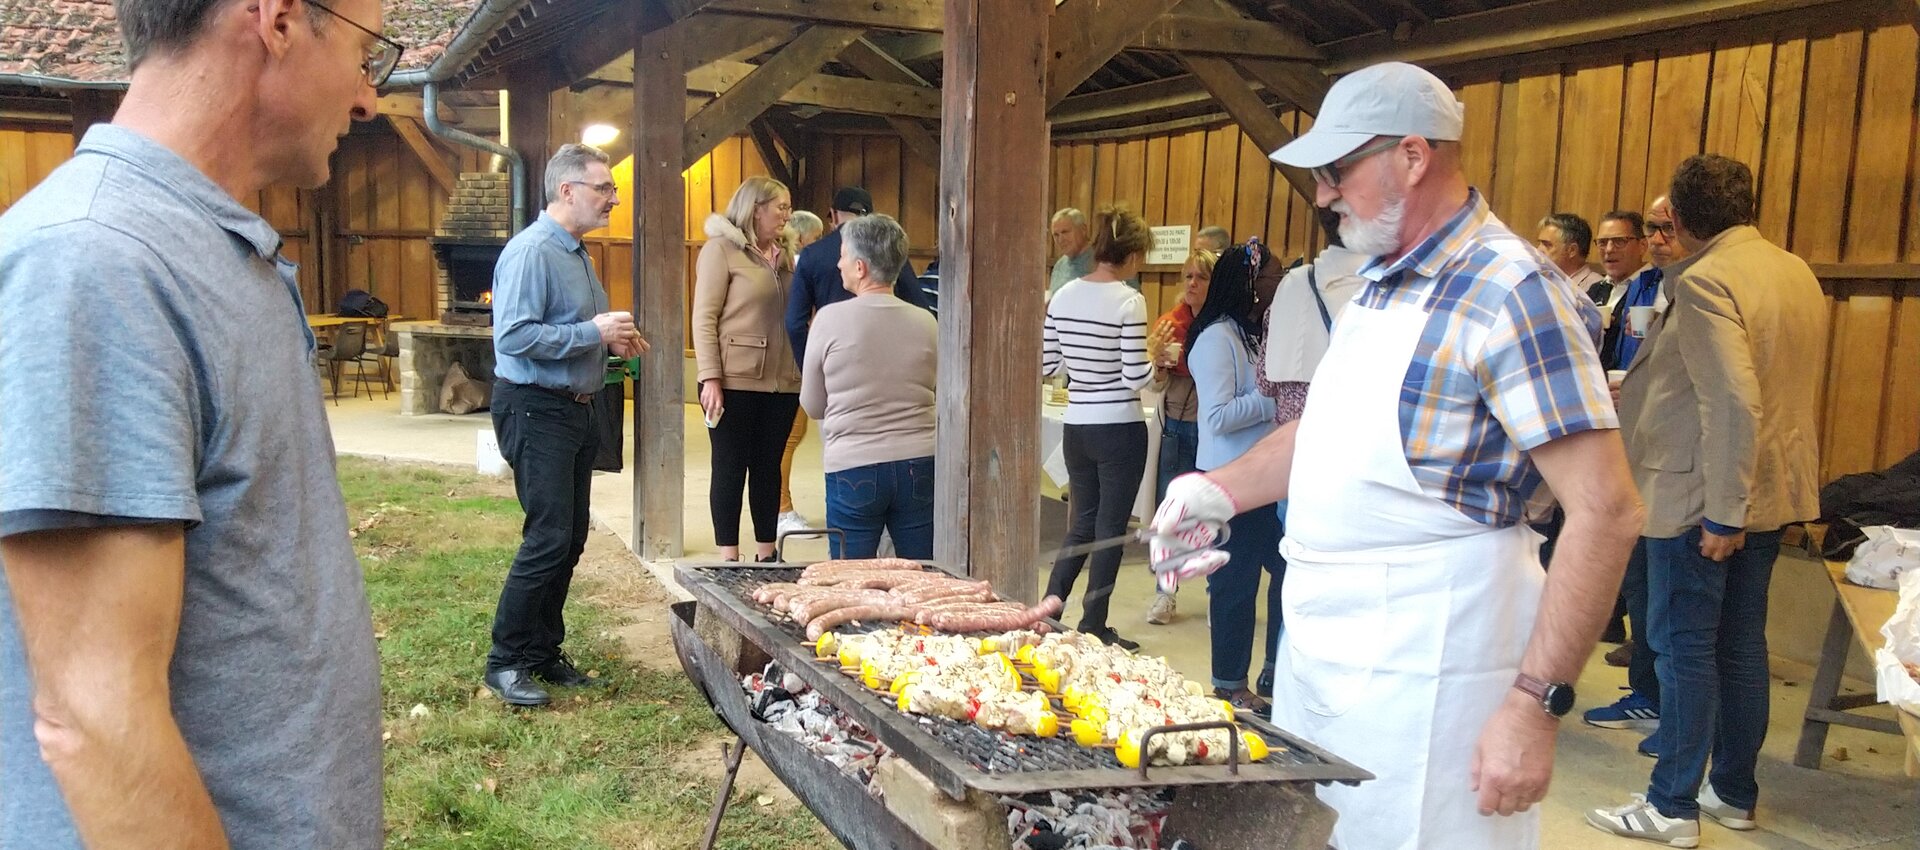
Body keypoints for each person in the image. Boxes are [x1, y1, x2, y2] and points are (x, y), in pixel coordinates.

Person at [1148, 61, 1643, 850]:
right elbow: (1327, 430)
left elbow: (1608, 510)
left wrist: (1532, 704)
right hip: (1328, 652)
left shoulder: (1515, 291)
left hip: (1434, 668)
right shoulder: (1380, 280)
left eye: (1338, 171)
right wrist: (1216, 489)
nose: (1322, 195)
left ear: (1412, 157)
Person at [0, 0, 396, 845]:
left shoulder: (211, 250)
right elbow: (93, 717)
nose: (370, 100)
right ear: (279, 20)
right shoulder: (96, 261)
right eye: (369, 54)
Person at [1588, 155, 1827, 846]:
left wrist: (1723, 512)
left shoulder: (1704, 281)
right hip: (1770, 488)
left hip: (1704, 496)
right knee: (1739, 648)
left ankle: (1671, 805)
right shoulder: (1792, 268)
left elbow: (1731, 400)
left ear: (1685, 221)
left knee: (1683, 649)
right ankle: (1732, 792)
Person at [484, 143, 645, 706]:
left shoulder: (577, 253)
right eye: (604, 188)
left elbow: (578, 329)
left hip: (575, 406)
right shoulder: (531, 253)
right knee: (549, 535)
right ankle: (504, 661)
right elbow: (513, 337)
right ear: (567, 190)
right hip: (535, 407)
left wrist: (613, 341)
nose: (613, 199)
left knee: (571, 536)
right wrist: (592, 334)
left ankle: (542, 653)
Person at [1584, 196, 1692, 717]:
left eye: (1660, 228)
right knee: (1640, 576)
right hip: (1633, 443)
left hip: (1677, 467)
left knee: (1666, 597)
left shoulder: (1699, 288)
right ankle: (1646, 692)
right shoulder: (1647, 287)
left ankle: (1658, 701)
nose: (1654, 239)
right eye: (1648, 230)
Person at [1043, 206, 1156, 651]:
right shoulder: (1130, 300)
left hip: (1077, 424)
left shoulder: (1064, 294)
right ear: (1130, 255)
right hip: (1120, 425)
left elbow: (1050, 364)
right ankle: (1094, 623)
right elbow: (1134, 375)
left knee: (1081, 523)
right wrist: (1157, 366)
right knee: (1111, 529)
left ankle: (1050, 609)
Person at [800, 214, 937, 559]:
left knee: (851, 581)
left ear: (860, 267)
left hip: (853, 464)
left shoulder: (829, 320)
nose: (838, 263)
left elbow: (813, 405)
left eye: (843, 255)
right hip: (919, 460)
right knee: (920, 575)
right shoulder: (927, 321)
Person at [1186, 246, 1282, 711]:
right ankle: (1228, 683)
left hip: (1263, 479)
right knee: (1233, 586)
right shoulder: (1215, 339)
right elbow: (1219, 416)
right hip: (1227, 482)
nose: (1277, 285)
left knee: (1285, 571)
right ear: (1247, 282)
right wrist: (1279, 401)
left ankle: (1274, 669)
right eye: (1271, 276)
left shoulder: (1253, 335)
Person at [695, 176, 801, 563]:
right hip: (733, 380)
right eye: (781, 207)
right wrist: (710, 377)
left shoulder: (789, 256)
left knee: (768, 467)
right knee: (729, 467)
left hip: (782, 382)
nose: (786, 216)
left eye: (788, 208)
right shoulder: (721, 251)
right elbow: (704, 318)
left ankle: (766, 554)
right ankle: (728, 557)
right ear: (756, 209)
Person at [1144, 249, 1215, 626]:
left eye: (1200, 277)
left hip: (1214, 432)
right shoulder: (1169, 325)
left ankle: (1217, 588)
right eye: (1187, 276)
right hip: (1176, 424)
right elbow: (1154, 385)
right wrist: (1156, 362)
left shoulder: (1223, 326)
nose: (1191, 284)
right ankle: (1164, 594)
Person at [773, 209, 827, 536]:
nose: (819, 244)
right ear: (803, 239)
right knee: (788, 438)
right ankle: (780, 510)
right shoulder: (795, 268)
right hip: (793, 361)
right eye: (817, 238)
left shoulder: (794, 267)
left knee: (793, 435)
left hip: (799, 360)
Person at [1537, 211, 1608, 301]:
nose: (1538, 250)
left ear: (1572, 250)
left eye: (1547, 245)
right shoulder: (1543, 282)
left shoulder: (1598, 289)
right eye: (1539, 243)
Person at [1048, 207, 1094, 296]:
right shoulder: (1059, 265)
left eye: (1065, 232)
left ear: (1083, 229)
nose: (1061, 239)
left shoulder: (1101, 261)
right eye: (1056, 235)